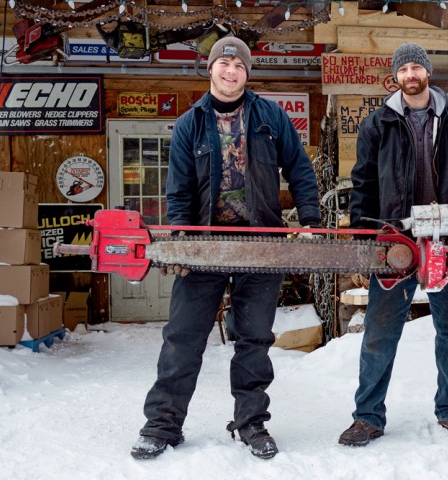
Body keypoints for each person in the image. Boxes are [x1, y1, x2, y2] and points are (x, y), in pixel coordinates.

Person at [130, 36, 320, 461]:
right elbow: (177, 191)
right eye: (224, 62)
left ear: (247, 73)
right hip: (205, 246)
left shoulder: (270, 116)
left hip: (262, 245)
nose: (231, 70)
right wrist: (181, 238)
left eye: (239, 64)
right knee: (182, 337)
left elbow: (301, 169)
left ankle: (252, 423)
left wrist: (310, 220)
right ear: (211, 68)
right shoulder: (189, 124)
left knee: (253, 338)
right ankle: (162, 423)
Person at [338, 43, 448, 447]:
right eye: (404, 68)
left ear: (427, 72)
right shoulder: (378, 124)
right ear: (395, 77)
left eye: (417, 67)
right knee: (380, 329)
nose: (410, 74)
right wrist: (365, 239)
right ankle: (368, 416)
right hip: (396, 240)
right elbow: (364, 182)